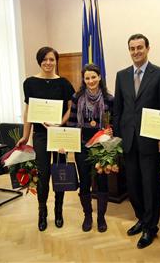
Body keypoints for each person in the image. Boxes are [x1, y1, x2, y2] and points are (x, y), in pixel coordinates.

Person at [113, 33, 160, 249]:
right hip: (128, 140)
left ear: (148, 48)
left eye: (140, 47)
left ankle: (151, 227)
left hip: (151, 140)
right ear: (129, 50)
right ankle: (142, 218)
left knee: (150, 185)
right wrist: (118, 136)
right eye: (132, 48)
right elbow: (117, 109)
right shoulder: (121, 76)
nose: (136, 51)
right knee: (133, 184)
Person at [17, 46, 75, 231]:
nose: (48, 63)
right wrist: (25, 136)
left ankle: (59, 211)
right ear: (39, 61)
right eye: (45, 59)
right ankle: (42, 212)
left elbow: (70, 109)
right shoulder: (30, 83)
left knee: (60, 173)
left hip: (59, 135)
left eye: (52, 59)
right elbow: (28, 111)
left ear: (56, 61)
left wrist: (60, 124)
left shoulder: (64, 83)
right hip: (40, 136)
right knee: (43, 175)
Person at [67, 64, 113, 233]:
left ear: (99, 77)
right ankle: (88, 215)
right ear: (84, 80)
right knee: (85, 182)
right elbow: (71, 123)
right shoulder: (77, 97)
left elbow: (113, 122)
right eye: (87, 78)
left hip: (101, 147)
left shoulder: (109, 98)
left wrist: (111, 129)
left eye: (94, 77)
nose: (91, 80)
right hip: (82, 146)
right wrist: (68, 143)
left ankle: (101, 217)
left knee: (102, 182)